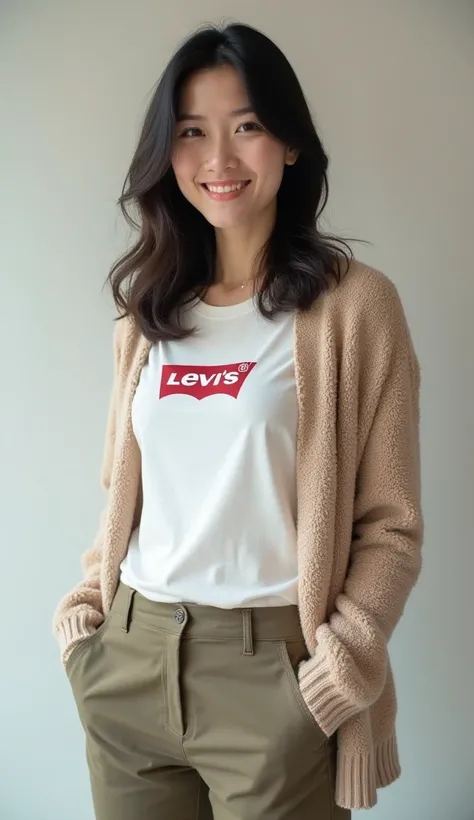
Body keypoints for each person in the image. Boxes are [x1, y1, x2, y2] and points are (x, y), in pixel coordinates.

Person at [53, 22, 423, 820]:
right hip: (130, 659)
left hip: (274, 678)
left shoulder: (356, 309)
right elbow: (123, 494)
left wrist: (330, 683)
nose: (218, 160)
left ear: (289, 143)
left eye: (246, 127)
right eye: (192, 132)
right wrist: (85, 625)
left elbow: (391, 527)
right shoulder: (146, 316)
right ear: (167, 152)